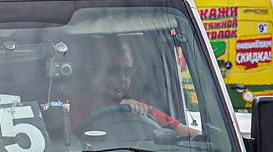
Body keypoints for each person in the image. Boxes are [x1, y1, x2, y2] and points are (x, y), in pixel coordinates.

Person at [69, 41, 200, 137]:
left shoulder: (139, 108)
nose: (122, 78)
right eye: (113, 70)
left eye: (128, 71)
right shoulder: (71, 107)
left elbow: (193, 135)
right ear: (92, 71)